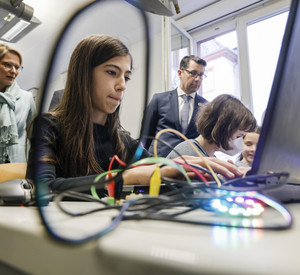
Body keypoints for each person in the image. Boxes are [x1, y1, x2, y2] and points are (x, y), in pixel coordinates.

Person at [26, 35, 244, 193]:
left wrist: (184, 163)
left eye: (126, 77)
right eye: (112, 73)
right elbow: (42, 187)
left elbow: (158, 166)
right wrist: (123, 177)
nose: (122, 85)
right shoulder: (48, 126)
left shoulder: (121, 139)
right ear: (82, 75)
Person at [142, 55, 207, 157]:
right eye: (193, 73)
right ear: (180, 73)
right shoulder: (159, 100)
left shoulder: (206, 107)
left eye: (201, 75)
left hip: (190, 166)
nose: (198, 79)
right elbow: (145, 136)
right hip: (158, 163)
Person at [167, 94, 257, 161]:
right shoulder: (191, 154)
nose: (240, 142)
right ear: (223, 129)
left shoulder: (207, 155)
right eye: (239, 136)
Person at [0, 44, 36, 163]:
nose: (14, 71)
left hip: (17, 165)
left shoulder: (27, 98)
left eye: (17, 67)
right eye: (7, 65)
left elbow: (35, 135)